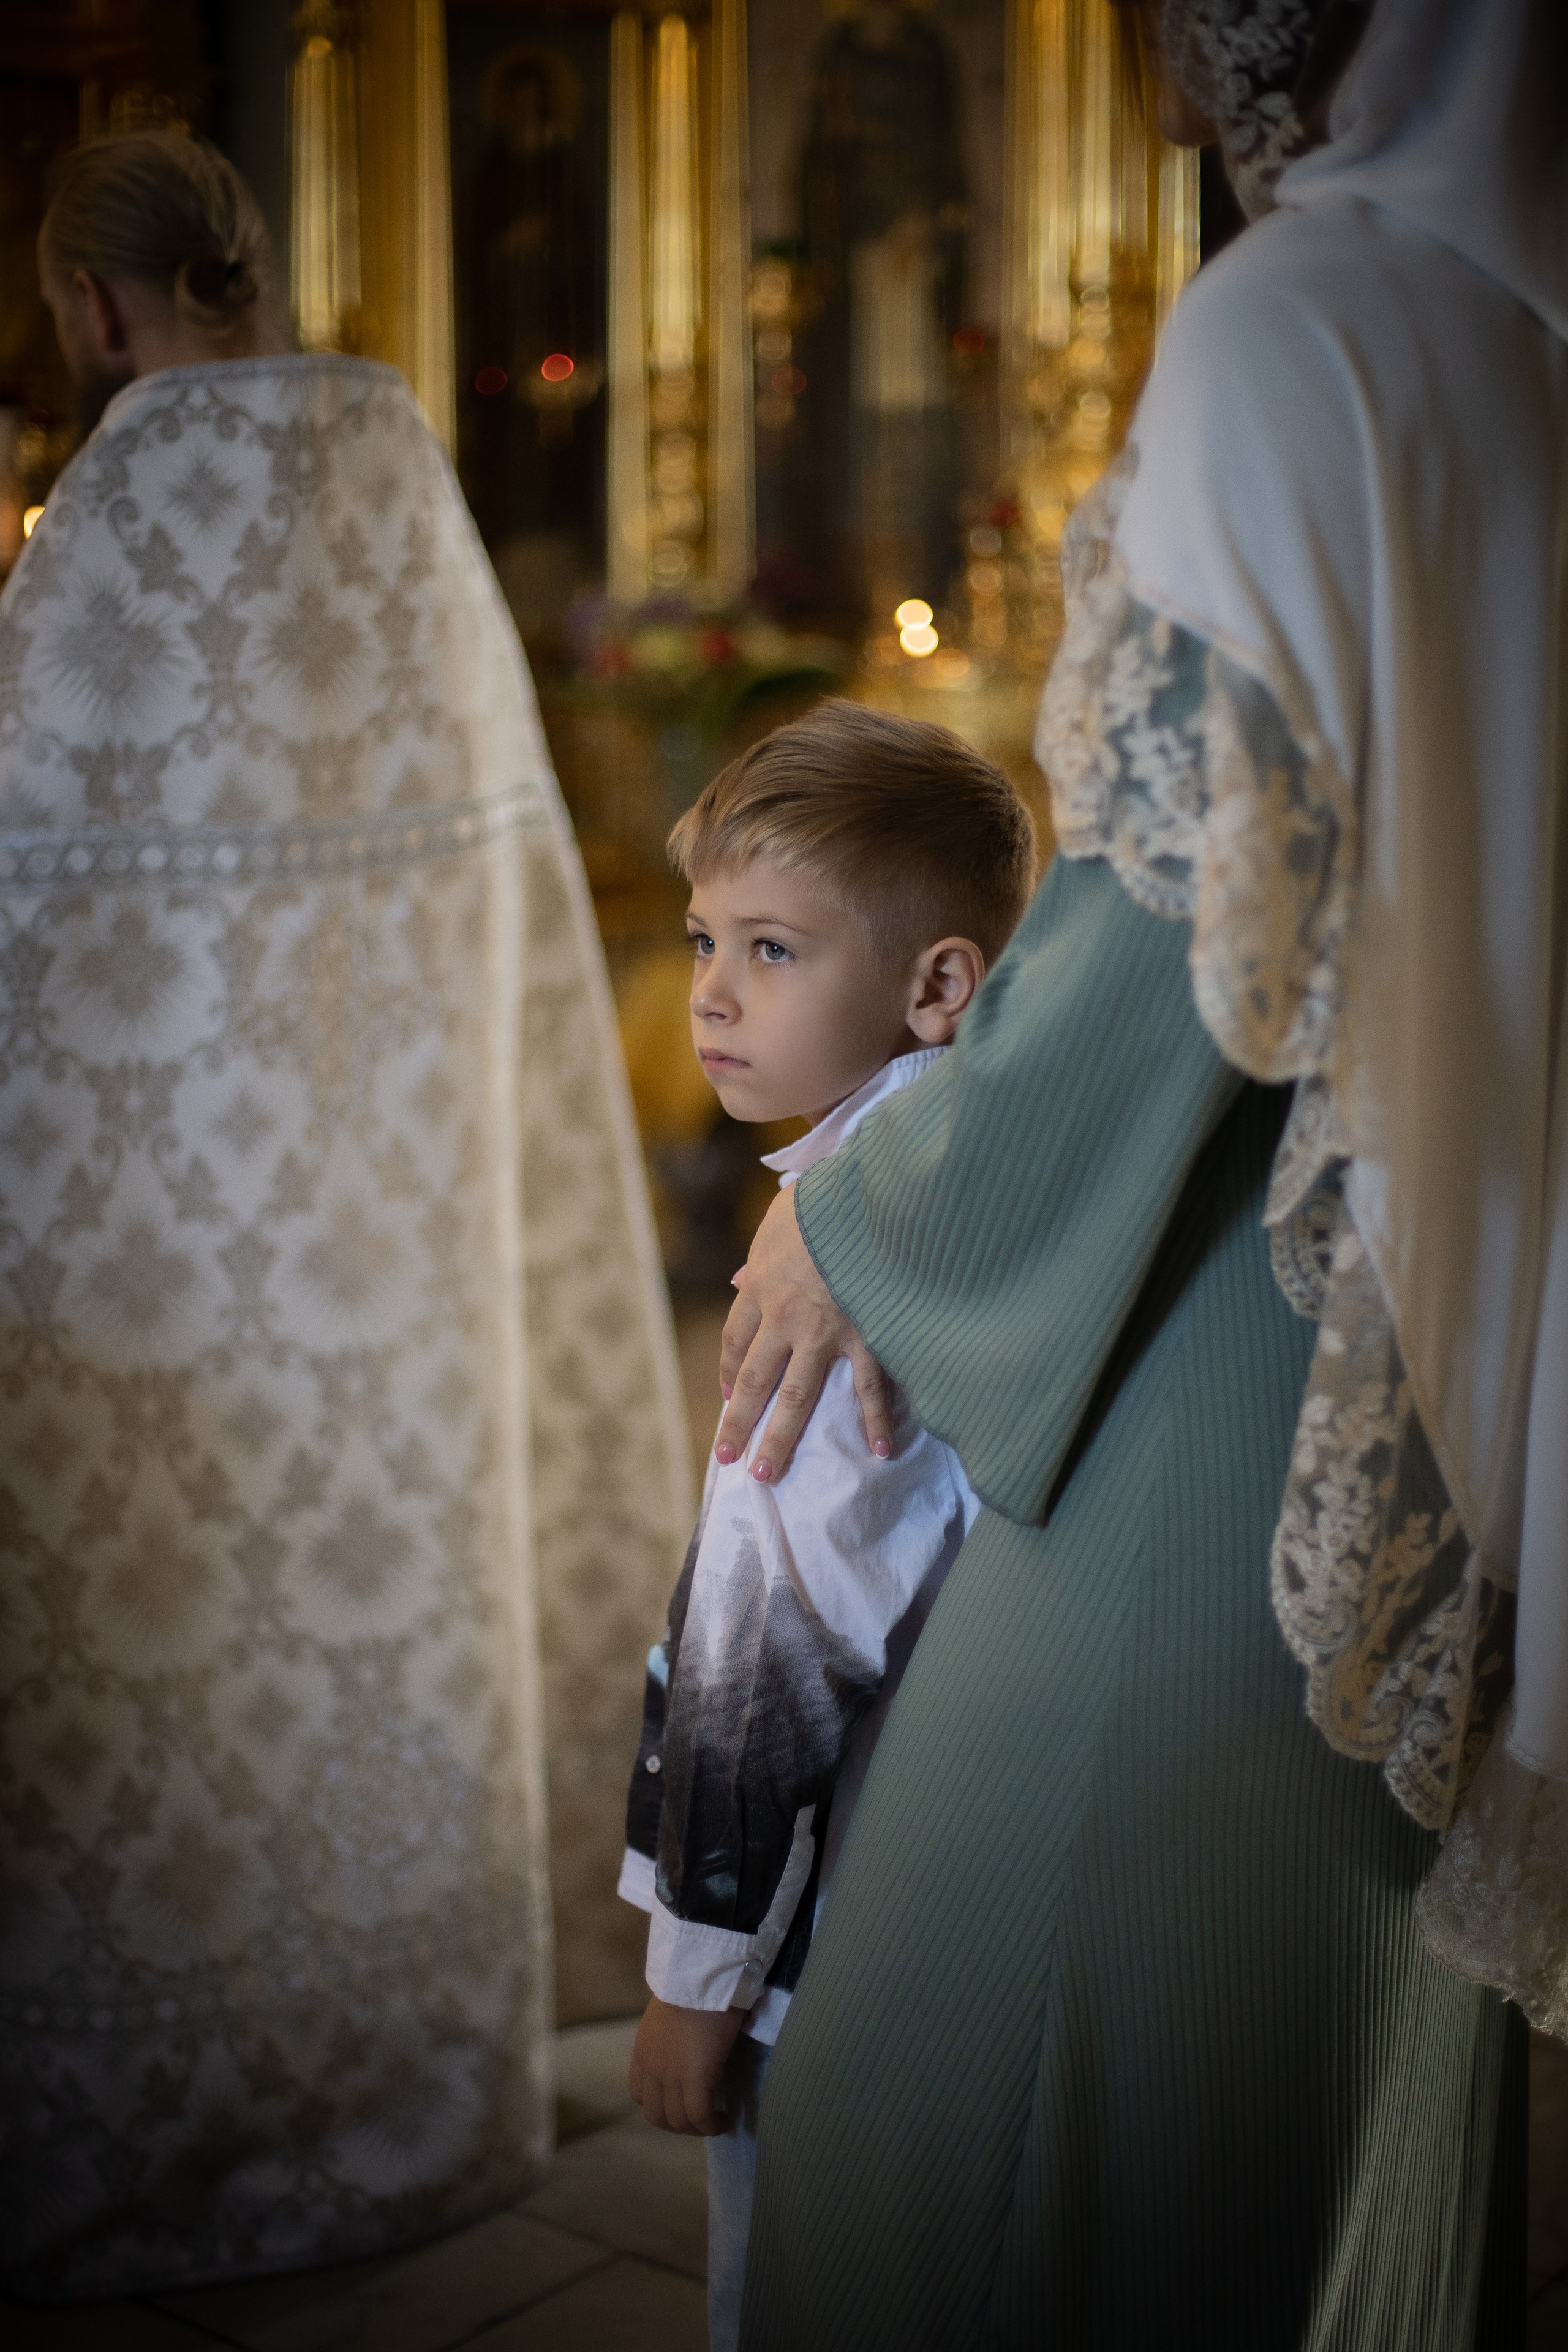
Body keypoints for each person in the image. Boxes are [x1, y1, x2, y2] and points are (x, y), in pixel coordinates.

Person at [704, 1, 1566, 2344]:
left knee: (929, 2111)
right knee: (1291, 2104)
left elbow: (1174, 920)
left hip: (1245, 1362)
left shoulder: (1304, 324)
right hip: (1438, 1379)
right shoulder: (1518, 327)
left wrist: (865, 1206)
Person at [0, 133, 690, 2297]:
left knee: (185, 1661)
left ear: (99, 313)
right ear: (249, 270)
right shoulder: (397, 462)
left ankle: (191, 2101)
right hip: (396, 1227)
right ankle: (423, 2038)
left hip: (162, 1261)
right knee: (391, 1609)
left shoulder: (113, 501)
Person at [617, 702, 1036, 2351]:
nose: (711, 990)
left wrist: (685, 1987)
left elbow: (764, 1662)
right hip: (936, 1864)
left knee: (781, 2285)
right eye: (706, 936)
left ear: (940, 987)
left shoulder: (826, 1302)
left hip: (811, 1929)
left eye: (774, 948)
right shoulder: (961, 1173)